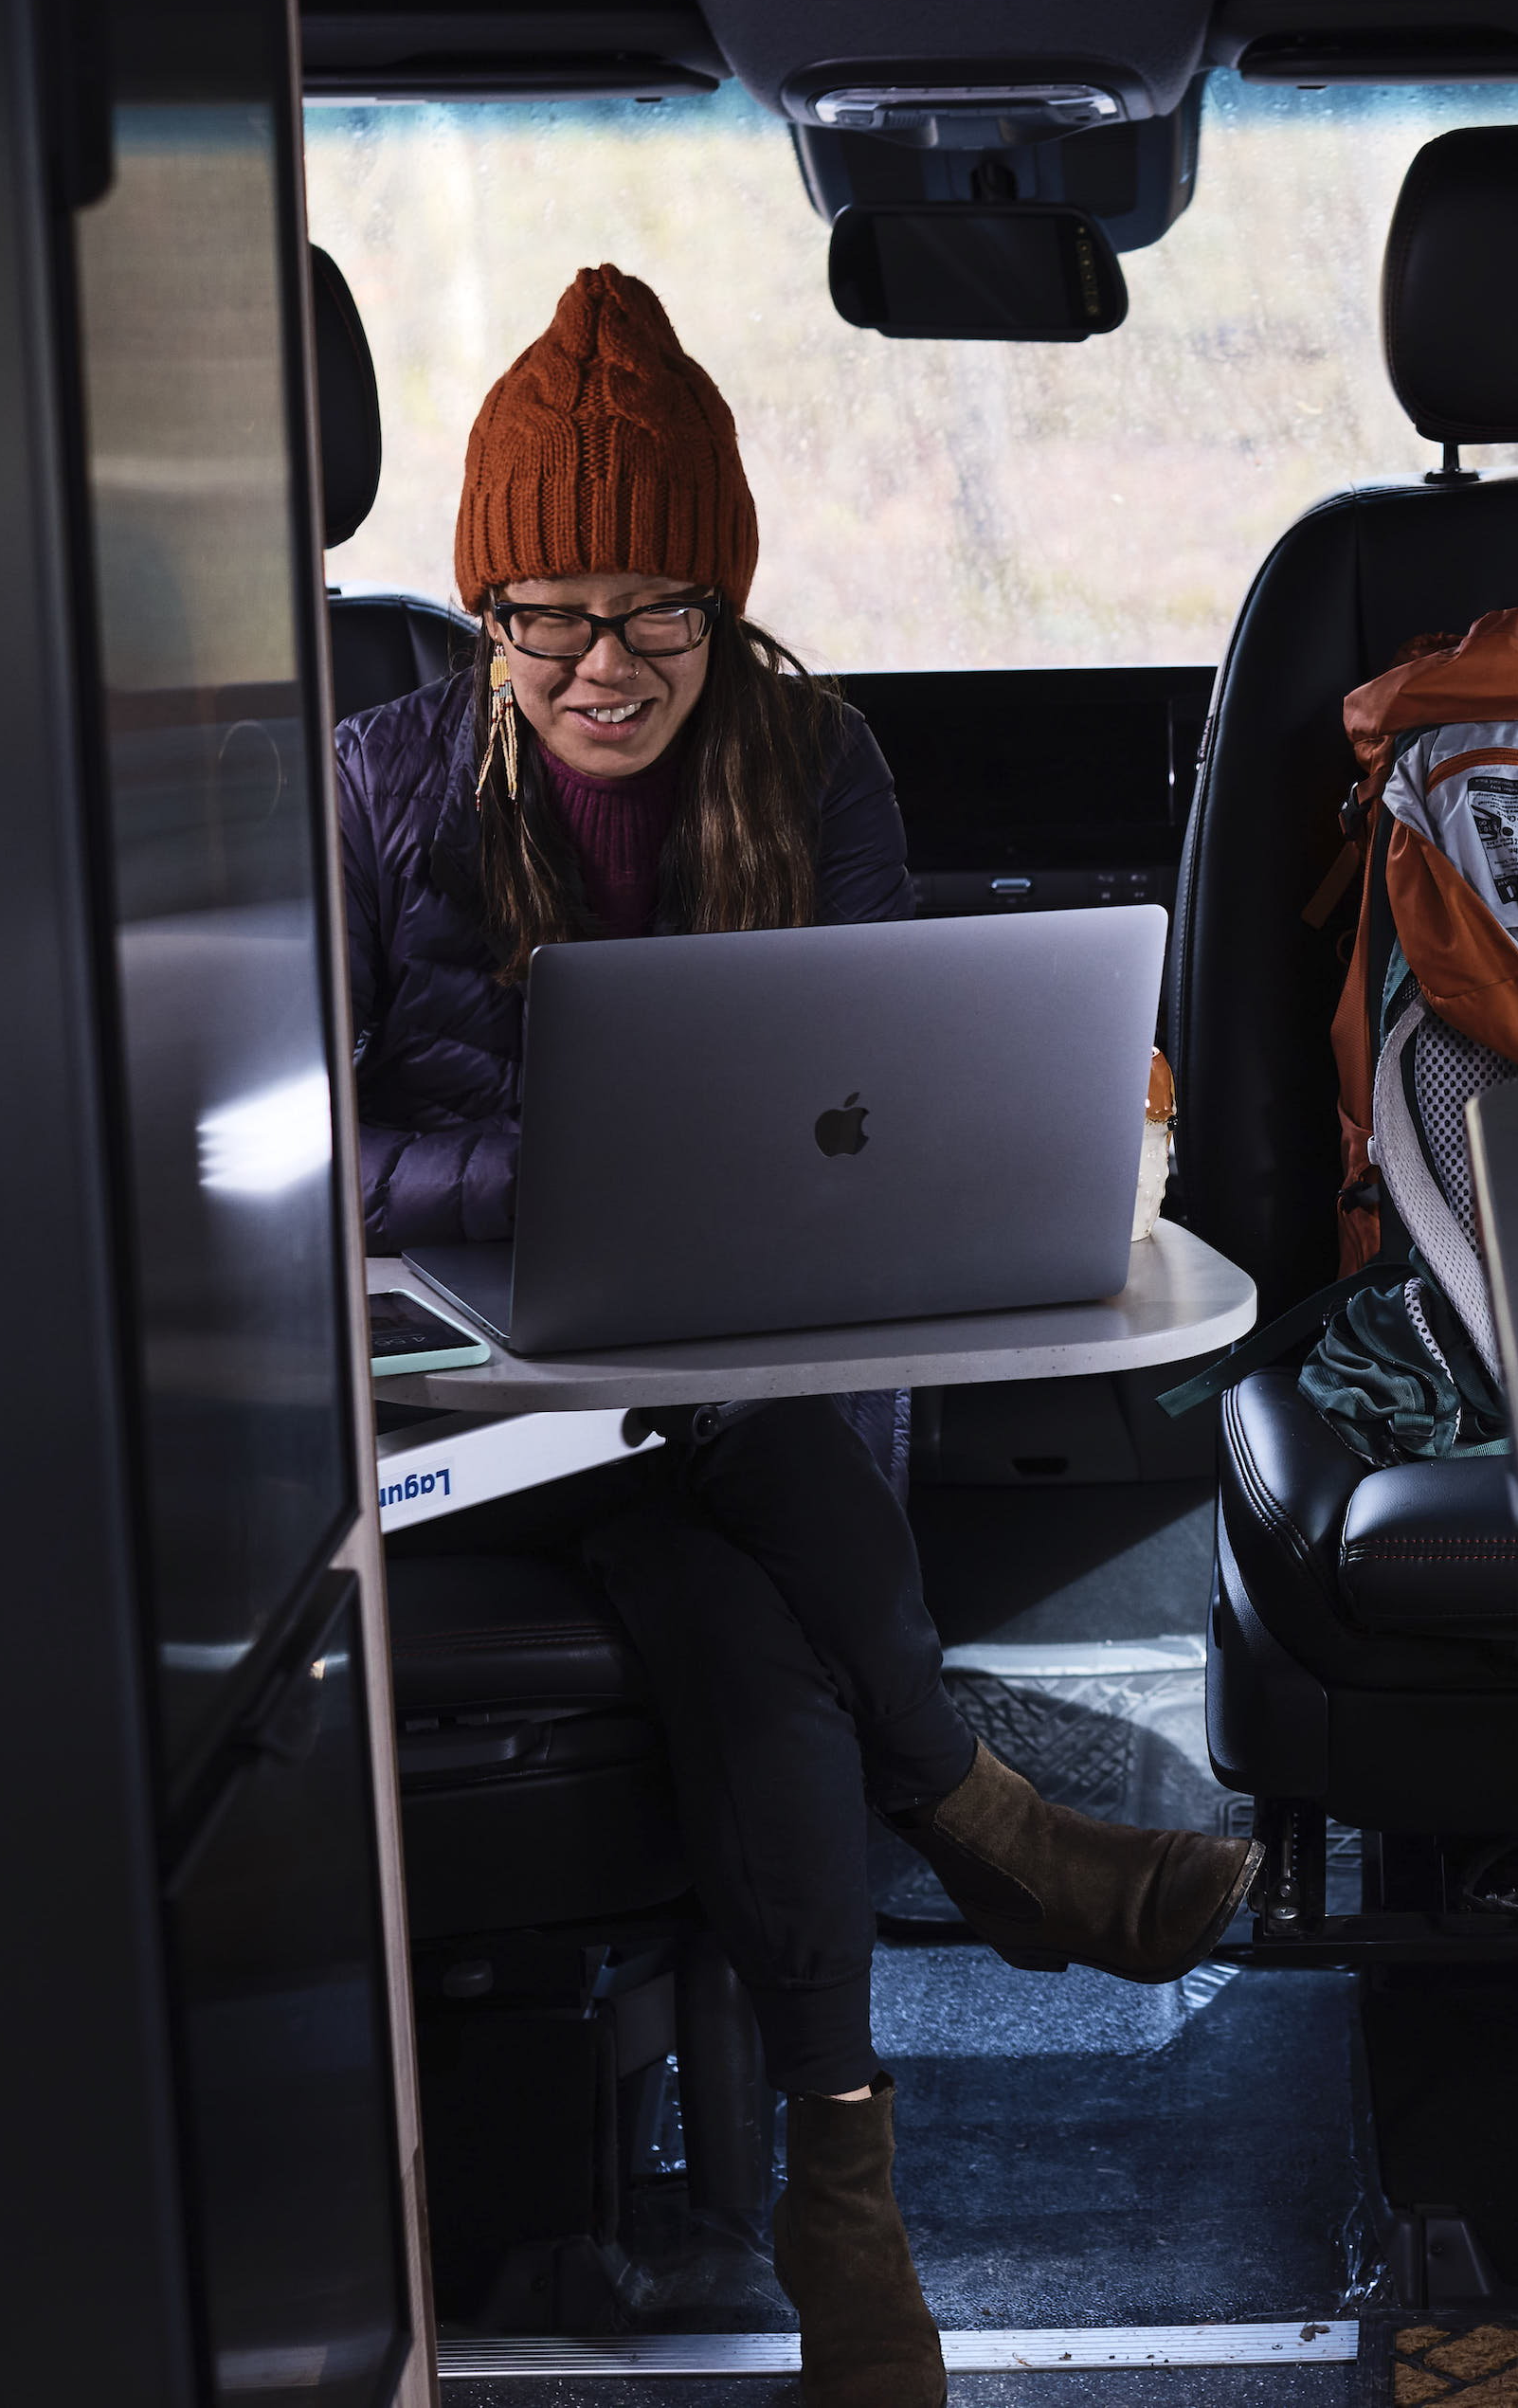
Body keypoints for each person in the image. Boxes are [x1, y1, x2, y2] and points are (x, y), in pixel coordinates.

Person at [339, 266, 1258, 2407]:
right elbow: (303, 1143)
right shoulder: (371, 777)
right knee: (735, 1482)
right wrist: (552, 1180)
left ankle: (845, 2213)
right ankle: (980, 1818)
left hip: (716, 1400)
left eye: (657, 610)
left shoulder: (816, 757)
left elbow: (871, 1096)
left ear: (724, 598)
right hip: (471, 1404)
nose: (602, 664)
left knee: (723, 1591)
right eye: (547, 617)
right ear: (484, 610)